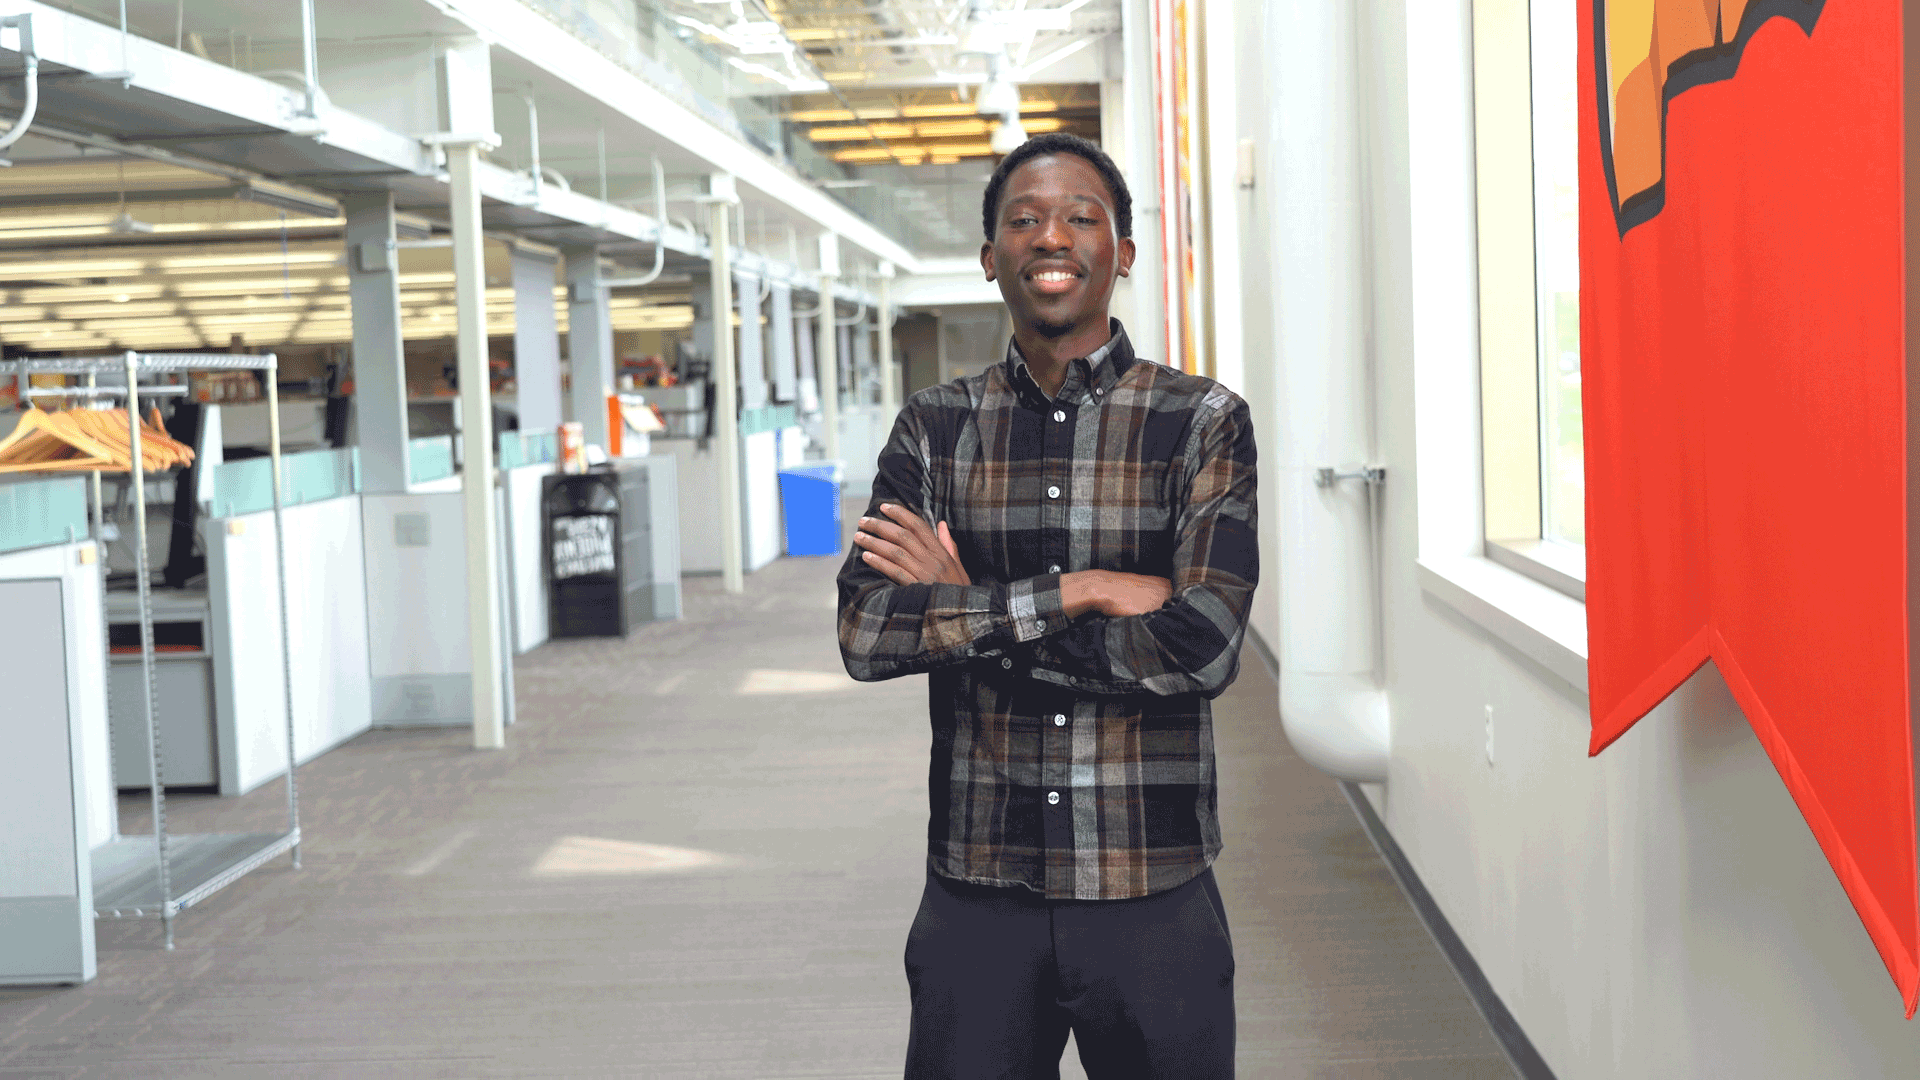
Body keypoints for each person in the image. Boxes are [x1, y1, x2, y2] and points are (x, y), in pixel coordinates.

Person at [836, 132, 1258, 1078]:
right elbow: (866, 630)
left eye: (1080, 217)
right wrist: (1085, 591)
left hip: (1152, 880)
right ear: (991, 258)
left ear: (1124, 252)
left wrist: (966, 610)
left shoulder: (1201, 422)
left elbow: (1204, 646)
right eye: (1023, 220)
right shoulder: (936, 426)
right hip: (979, 884)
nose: (1050, 236)